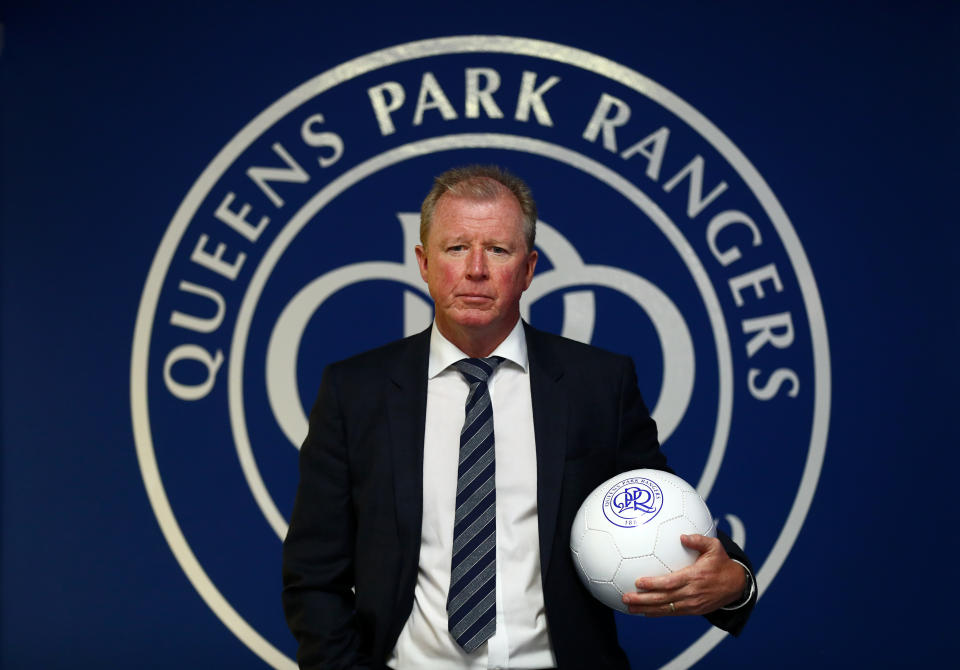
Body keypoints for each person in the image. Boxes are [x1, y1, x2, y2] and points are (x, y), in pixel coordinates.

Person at [282, 165, 756, 670]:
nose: (476, 269)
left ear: (529, 269)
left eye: (499, 250)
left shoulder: (598, 384)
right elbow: (314, 574)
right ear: (423, 263)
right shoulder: (355, 391)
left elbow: (660, 510)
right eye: (456, 247)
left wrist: (735, 583)